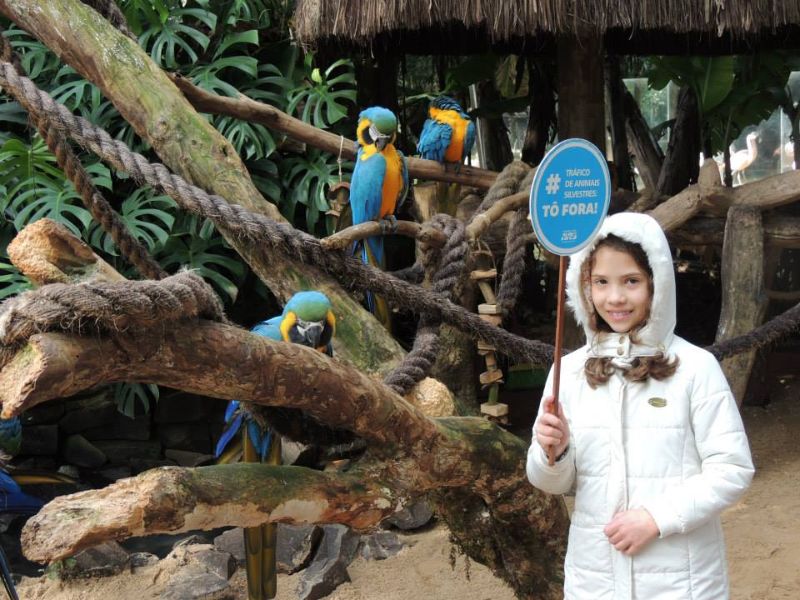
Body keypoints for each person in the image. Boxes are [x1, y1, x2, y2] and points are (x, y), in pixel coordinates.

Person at [527, 212, 754, 599]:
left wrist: (656, 518)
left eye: (630, 281)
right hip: (595, 577)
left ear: (656, 284)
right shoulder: (569, 371)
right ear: (585, 286)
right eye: (601, 282)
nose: (615, 298)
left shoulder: (696, 368)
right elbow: (553, 483)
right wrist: (553, 452)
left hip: (682, 581)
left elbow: (732, 468)